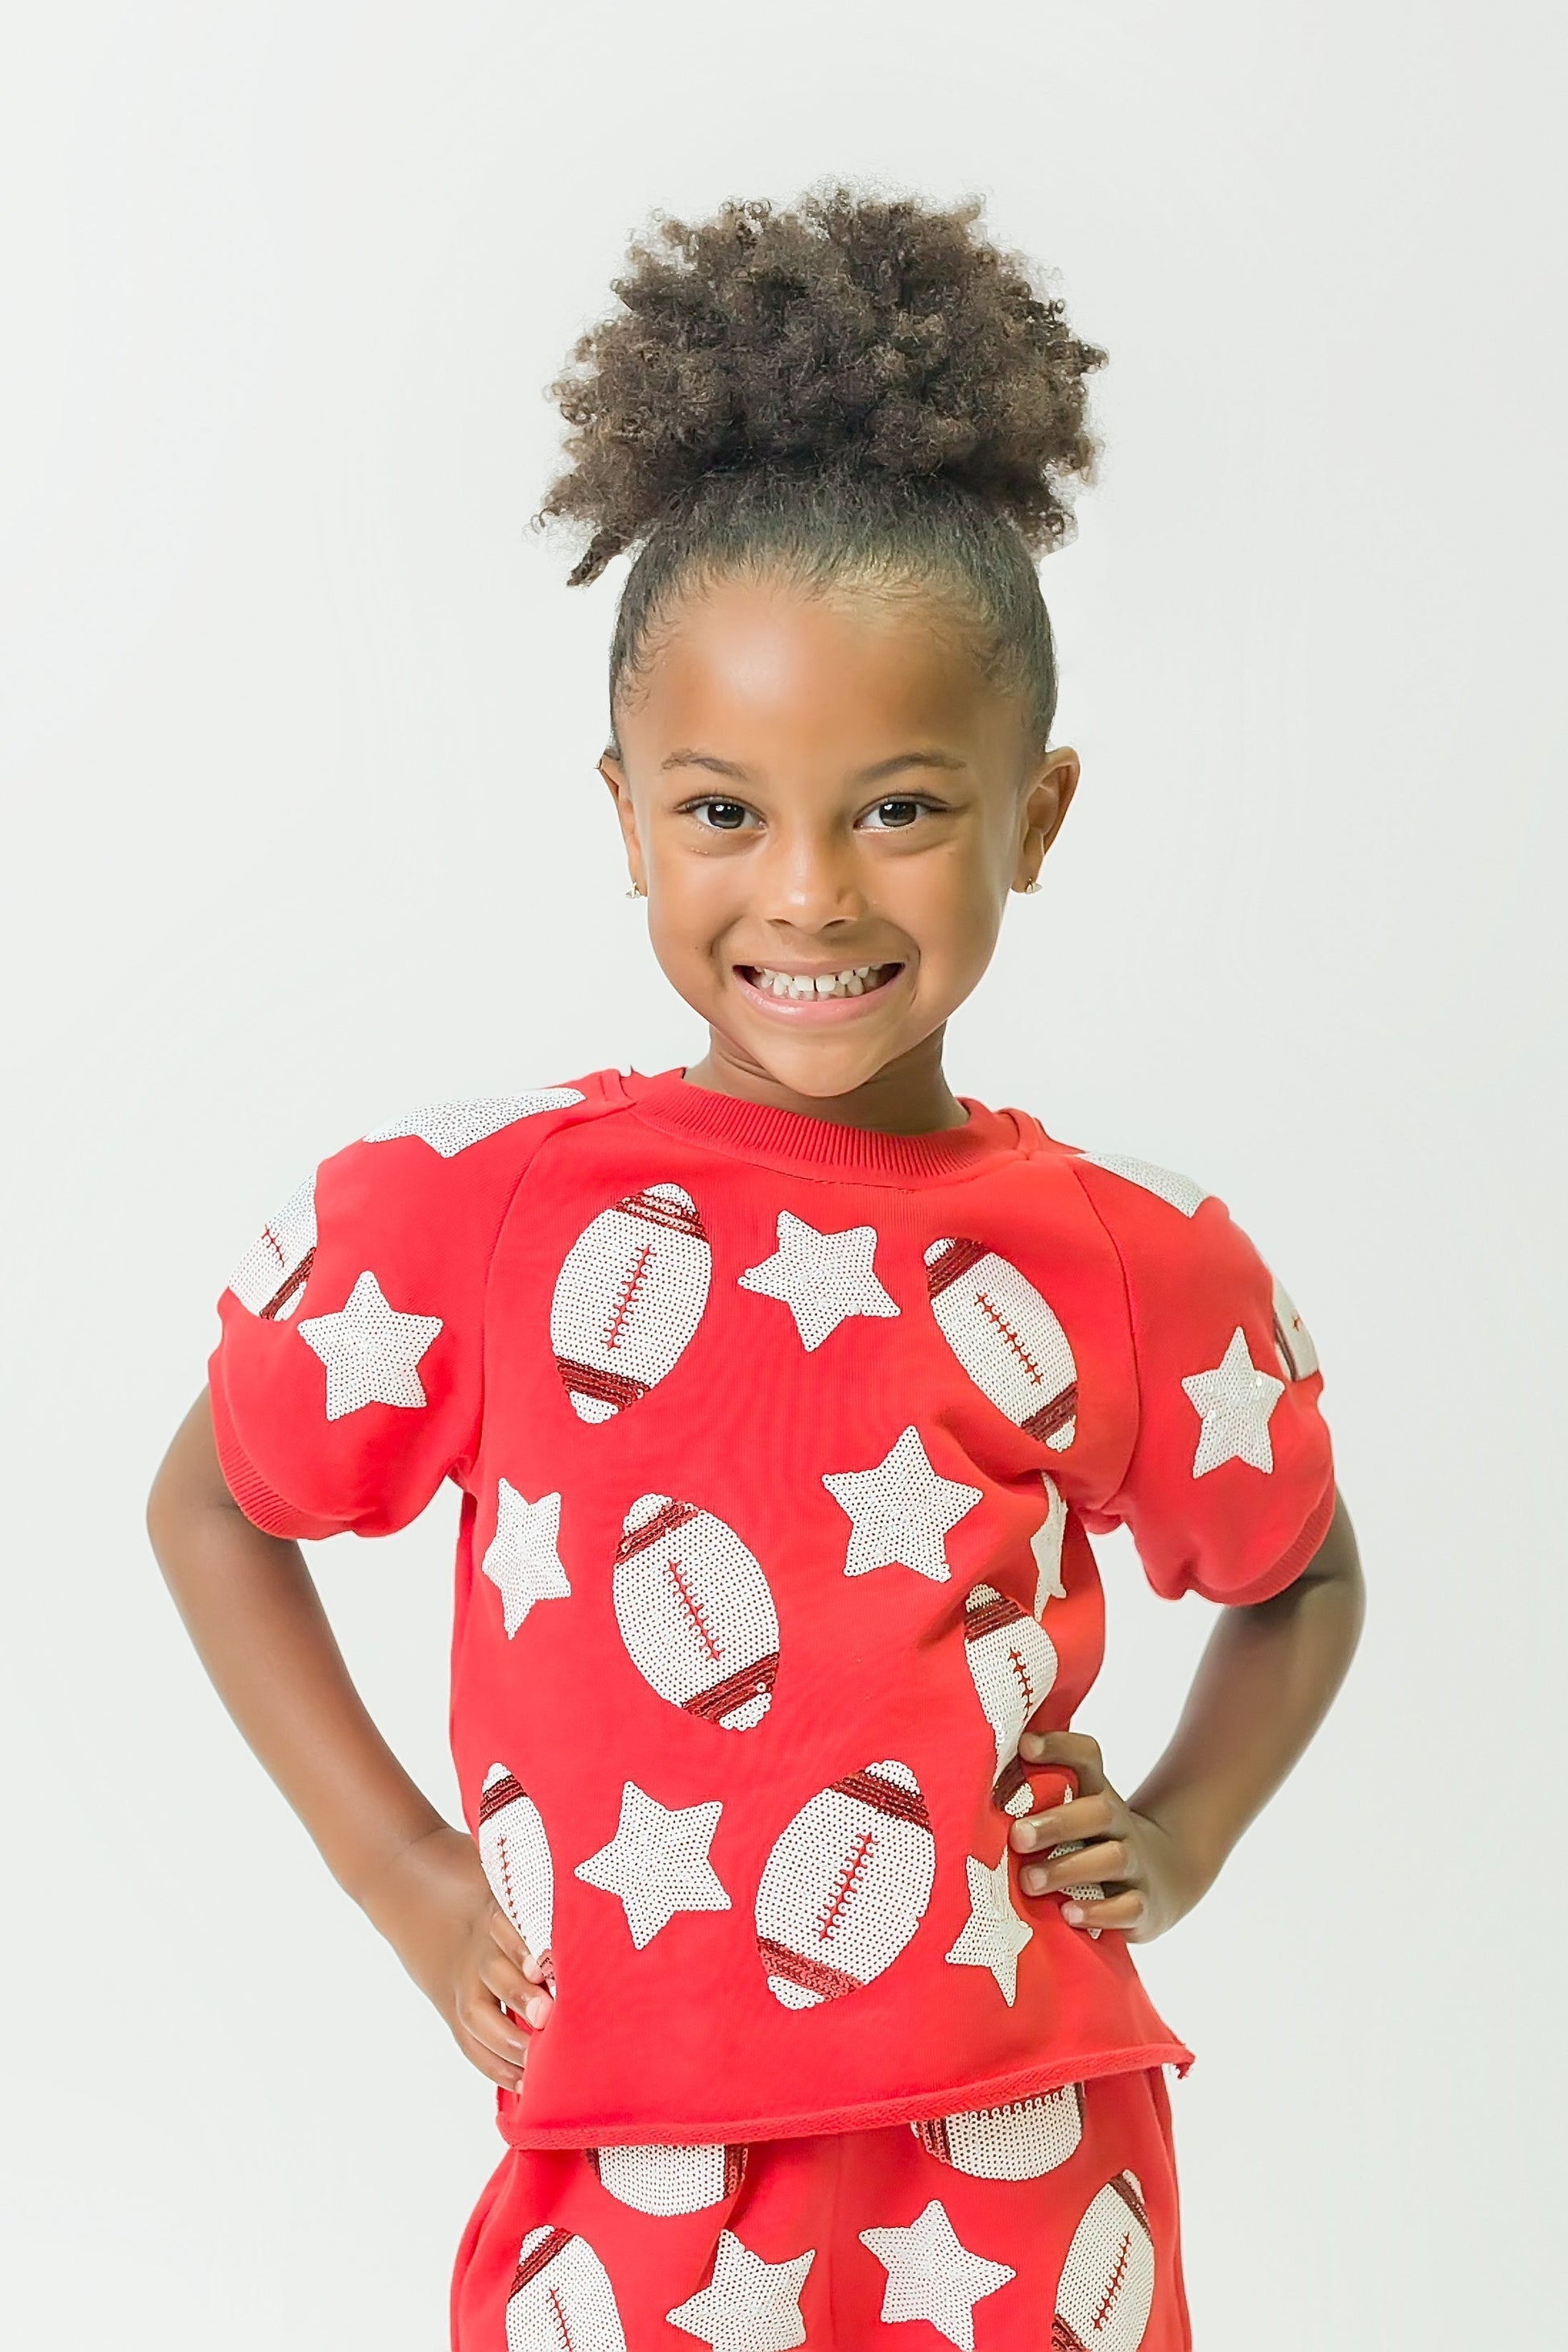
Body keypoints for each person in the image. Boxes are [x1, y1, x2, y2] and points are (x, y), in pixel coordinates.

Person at [147, 190, 1363, 2351]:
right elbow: (213, 1508)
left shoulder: (1133, 1258)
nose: (807, 893)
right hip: (622, 2176)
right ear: (625, 813)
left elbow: (1301, 1573)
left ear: (1036, 815)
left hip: (1027, 2163)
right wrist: (410, 1883)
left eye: (899, 808)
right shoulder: (470, 1217)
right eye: (724, 812)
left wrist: (1181, 1835)